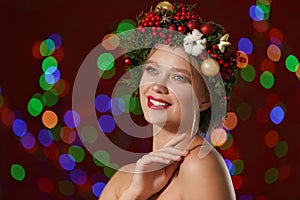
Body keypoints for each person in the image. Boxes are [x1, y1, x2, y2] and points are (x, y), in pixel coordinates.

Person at [99, 1, 240, 199]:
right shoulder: (125, 178)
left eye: (179, 77)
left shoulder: (199, 165)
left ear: (206, 99)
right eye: (152, 70)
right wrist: (134, 194)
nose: (158, 85)